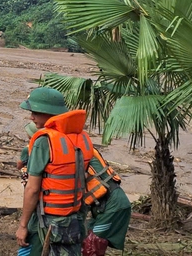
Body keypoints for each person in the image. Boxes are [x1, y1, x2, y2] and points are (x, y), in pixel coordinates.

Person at [15, 87, 93, 256]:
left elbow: (32, 188)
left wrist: (22, 226)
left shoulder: (44, 141)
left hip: (50, 220)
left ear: (47, 112)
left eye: (35, 112)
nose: (31, 117)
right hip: (76, 218)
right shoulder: (83, 138)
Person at [82, 148, 131, 256]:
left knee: (92, 246)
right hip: (108, 204)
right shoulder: (87, 149)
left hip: (114, 206)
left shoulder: (79, 156)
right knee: (85, 234)